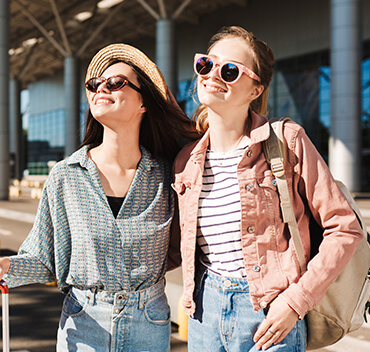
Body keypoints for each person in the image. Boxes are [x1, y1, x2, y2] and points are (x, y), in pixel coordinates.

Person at [172, 26, 363, 351]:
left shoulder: (287, 141)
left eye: (230, 70)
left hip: (269, 311)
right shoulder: (186, 161)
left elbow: (345, 229)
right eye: (207, 63)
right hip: (204, 312)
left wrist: (295, 301)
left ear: (255, 89)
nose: (213, 74)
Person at [0, 43, 196, 352]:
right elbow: (44, 259)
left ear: (143, 102)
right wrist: (5, 267)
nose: (100, 88)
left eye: (115, 82)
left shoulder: (168, 175)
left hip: (150, 324)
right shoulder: (66, 176)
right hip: (83, 325)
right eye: (94, 84)